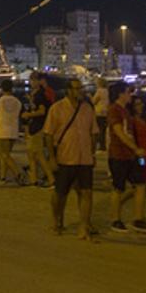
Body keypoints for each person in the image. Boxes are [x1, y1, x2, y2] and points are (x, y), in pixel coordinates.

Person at [43, 77, 100, 240]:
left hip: (84, 158)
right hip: (65, 157)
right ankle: (57, 219)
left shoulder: (87, 108)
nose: (80, 91)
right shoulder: (57, 108)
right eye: (76, 88)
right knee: (60, 194)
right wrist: (52, 157)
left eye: (80, 88)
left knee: (86, 192)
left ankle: (84, 227)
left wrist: (93, 153)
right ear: (68, 90)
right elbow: (48, 134)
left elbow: (94, 132)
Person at [106, 82, 146, 232]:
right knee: (118, 188)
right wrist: (135, 148)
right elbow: (119, 132)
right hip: (119, 154)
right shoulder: (114, 110)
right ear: (120, 94)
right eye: (127, 92)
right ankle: (115, 219)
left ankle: (138, 218)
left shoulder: (125, 111)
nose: (130, 95)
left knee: (141, 183)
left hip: (132, 154)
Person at [21, 72, 56, 187]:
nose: (31, 82)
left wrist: (29, 115)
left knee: (39, 154)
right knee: (31, 154)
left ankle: (51, 178)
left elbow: (42, 111)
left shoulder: (40, 95)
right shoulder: (36, 94)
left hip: (38, 126)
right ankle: (33, 179)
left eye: (32, 80)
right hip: (35, 126)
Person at [0, 79, 24, 183]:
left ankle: (17, 173)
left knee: (4, 155)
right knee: (6, 154)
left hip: (2, 130)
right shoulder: (17, 101)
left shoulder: (1, 100)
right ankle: (3, 176)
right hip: (13, 129)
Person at [92, 77, 110, 152]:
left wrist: (90, 97)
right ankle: (103, 145)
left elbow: (94, 101)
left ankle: (100, 145)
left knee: (98, 129)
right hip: (106, 112)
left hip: (99, 112)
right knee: (103, 129)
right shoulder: (107, 91)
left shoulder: (99, 91)